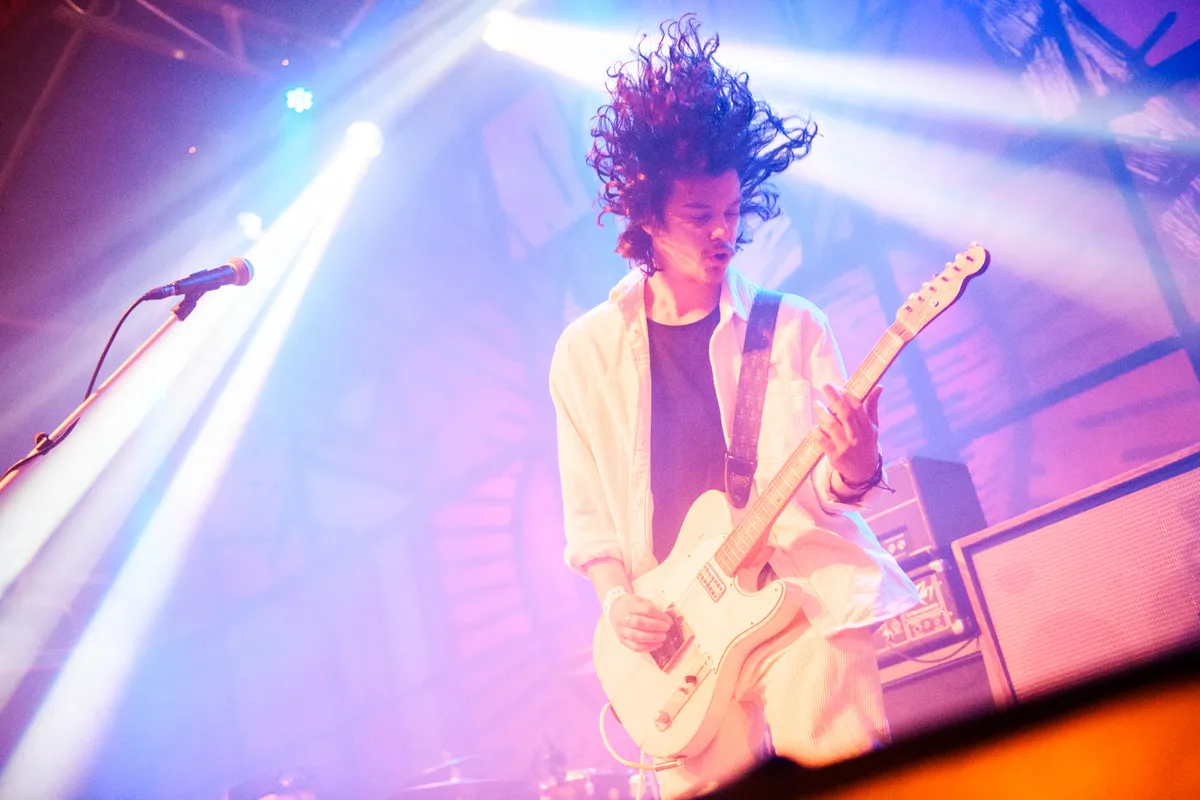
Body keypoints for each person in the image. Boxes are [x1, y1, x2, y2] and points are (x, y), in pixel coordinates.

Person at [548, 16, 920, 799]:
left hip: (803, 603)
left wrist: (856, 464)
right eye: (700, 216)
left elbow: (835, 491)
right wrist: (617, 603)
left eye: (732, 211)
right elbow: (590, 522)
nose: (724, 232)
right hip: (682, 640)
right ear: (648, 217)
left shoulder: (794, 326)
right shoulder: (586, 354)